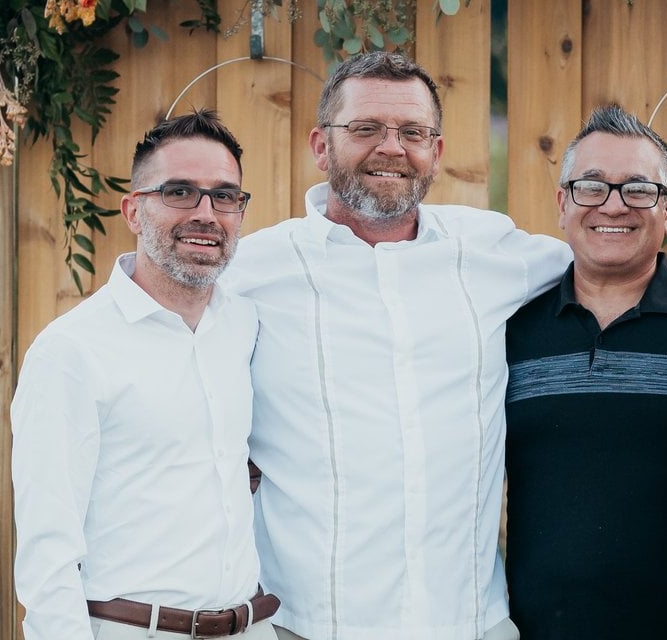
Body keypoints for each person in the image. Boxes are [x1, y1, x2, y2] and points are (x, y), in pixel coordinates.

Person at [221, 51, 570, 640]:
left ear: (435, 151)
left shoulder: (494, 252)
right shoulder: (248, 274)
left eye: (412, 132)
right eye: (365, 129)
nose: (391, 147)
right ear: (320, 145)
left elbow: (610, 266)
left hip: (468, 625)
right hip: (305, 627)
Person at [11, 110, 278, 640]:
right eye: (179, 192)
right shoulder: (71, 351)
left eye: (225, 196)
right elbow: (47, 551)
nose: (207, 212)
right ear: (134, 210)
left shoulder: (244, 324)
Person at [502, 105, 667, 640]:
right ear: (562, 204)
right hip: (537, 629)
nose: (613, 206)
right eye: (591, 186)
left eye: (639, 189)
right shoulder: (509, 330)